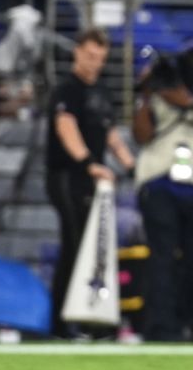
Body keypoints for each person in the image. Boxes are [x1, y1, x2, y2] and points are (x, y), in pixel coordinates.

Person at [132, 43, 193, 342]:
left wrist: (188, 103)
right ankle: (161, 328)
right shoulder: (157, 97)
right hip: (159, 182)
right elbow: (141, 136)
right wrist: (148, 93)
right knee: (161, 256)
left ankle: (182, 319)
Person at [45, 28, 135, 338]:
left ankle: (88, 318)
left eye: (100, 58)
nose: (94, 63)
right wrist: (88, 164)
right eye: (90, 55)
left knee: (89, 249)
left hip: (91, 180)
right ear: (77, 52)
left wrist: (129, 163)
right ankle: (62, 323)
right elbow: (65, 129)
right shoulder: (67, 91)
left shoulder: (102, 92)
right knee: (74, 246)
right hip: (67, 176)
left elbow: (109, 133)